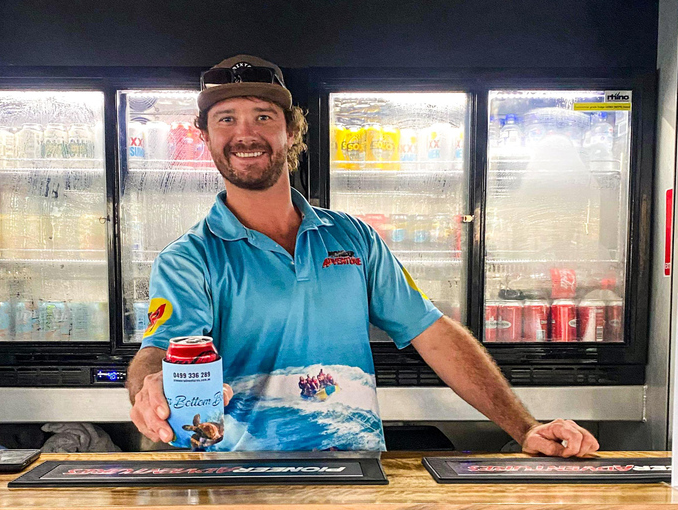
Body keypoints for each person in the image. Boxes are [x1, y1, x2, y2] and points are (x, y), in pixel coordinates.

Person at [127, 54, 599, 456]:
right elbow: (162, 352)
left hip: (355, 471)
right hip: (243, 478)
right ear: (206, 137)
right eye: (226, 119)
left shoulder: (354, 238)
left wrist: (525, 427)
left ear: (289, 132)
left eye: (262, 117)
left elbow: (432, 332)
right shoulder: (189, 258)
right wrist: (149, 388)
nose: (245, 134)